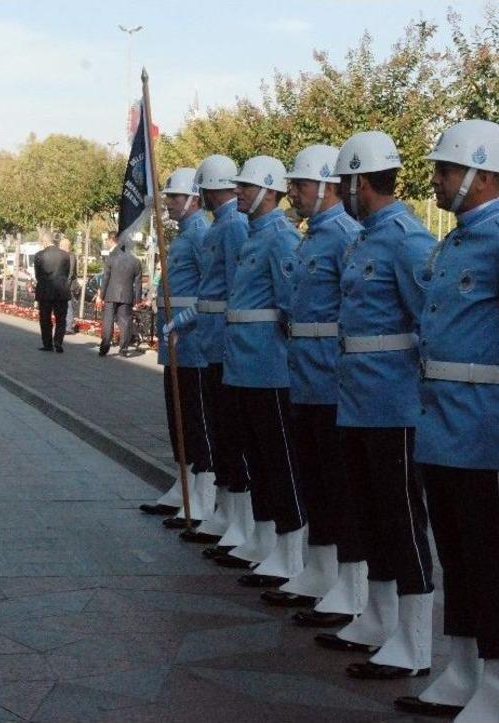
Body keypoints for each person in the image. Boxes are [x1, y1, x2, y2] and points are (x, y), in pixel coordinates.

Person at [312, 131, 436, 682]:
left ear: (361, 182)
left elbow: (426, 322)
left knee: (402, 520)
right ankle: (380, 619)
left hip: (393, 402)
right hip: (358, 397)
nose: (340, 193)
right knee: (370, 513)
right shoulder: (365, 238)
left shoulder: (407, 239)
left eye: (344, 183)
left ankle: (415, 639)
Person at [394, 120, 499, 719]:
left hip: (484, 427)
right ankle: (462, 669)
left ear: (483, 175)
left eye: (446, 169)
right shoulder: (455, 241)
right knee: (456, 555)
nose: (434, 179)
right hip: (441, 421)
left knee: (487, 557)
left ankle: (495, 680)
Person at [265, 146, 364, 619]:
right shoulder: (310, 238)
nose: (294, 194)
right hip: (304, 374)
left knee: (339, 484)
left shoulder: (345, 235)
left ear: (327, 185)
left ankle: (351, 581)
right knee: (315, 481)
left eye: (301, 185)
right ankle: (321, 569)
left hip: (331, 378)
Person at [204, 156, 307, 591]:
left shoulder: (281, 236)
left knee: (277, 460)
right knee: (259, 458)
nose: (239, 192)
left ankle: (290, 548)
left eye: (246, 186)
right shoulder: (254, 235)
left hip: (267, 365)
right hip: (244, 363)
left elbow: (289, 304)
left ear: (269, 190)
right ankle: (265, 539)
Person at [154, 168, 216, 535]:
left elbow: (208, 287)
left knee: (195, 419)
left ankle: (203, 491)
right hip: (174, 336)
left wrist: (184, 321)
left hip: (191, 338)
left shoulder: (200, 234)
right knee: (178, 419)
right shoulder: (181, 236)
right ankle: (184, 481)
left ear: (194, 197)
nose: (170, 203)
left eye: (175, 197)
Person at [96, 231, 142, 357]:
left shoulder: (111, 257)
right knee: (125, 321)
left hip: (111, 294)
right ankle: (124, 349)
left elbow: (106, 277)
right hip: (127, 295)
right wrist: (137, 300)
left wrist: (101, 295)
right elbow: (138, 282)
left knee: (108, 320)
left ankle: (104, 347)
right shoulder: (136, 261)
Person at [32, 233, 73, 353]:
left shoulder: (39, 255)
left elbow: (38, 275)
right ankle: (58, 342)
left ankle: (47, 344)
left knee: (45, 319)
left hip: (45, 291)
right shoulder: (65, 255)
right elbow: (67, 273)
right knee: (61, 319)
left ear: (44, 242)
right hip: (61, 292)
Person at [59, 238, 79, 334]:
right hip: (63, 284)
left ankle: (69, 327)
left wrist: (65, 285)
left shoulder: (71, 256)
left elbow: (70, 273)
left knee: (68, 305)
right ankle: (65, 325)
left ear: (64, 246)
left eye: (60, 246)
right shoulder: (63, 256)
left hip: (68, 286)